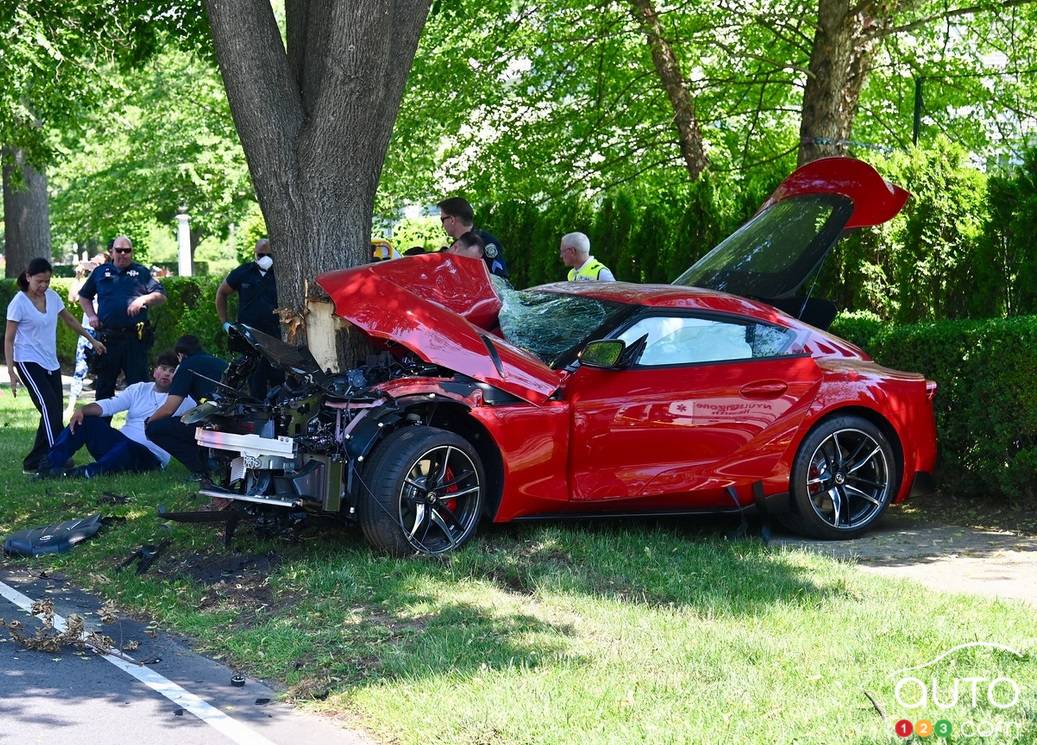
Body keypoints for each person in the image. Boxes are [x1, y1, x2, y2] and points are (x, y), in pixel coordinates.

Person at [4, 258, 107, 474]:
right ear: (28, 277)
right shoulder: (18, 303)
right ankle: (57, 457)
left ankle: (33, 462)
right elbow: (9, 339)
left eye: (47, 281)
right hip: (27, 361)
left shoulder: (52, 297)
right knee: (49, 407)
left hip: (50, 362)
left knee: (53, 410)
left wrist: (92, 340)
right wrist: (11, 371)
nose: (43, 286)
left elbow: (70, 320)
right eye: (39, 281)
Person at [36, 353, 194, 479]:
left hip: (150, 456)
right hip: (120, 443)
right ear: (155, 371)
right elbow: (110, 405)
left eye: (172, 371)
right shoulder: (139, 389)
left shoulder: (185, 400)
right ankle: (49, 465)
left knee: (127, 448)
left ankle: (84, 473)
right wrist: (82, 410)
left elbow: (199, 418)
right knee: (86, 421)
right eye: (164, 368)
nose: (166, 374)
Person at [77, 235, 166, 402]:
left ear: (132, 252)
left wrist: (143, 299)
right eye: (119, 250)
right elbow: (84, 296)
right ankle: (103, 419)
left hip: (135, 338)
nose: (123, 254)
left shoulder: (141, 272)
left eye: (127, 250)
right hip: (108, 338)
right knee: (104, 388)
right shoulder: (100, 272)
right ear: (112, 252)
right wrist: (91, 315)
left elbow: (161, 296)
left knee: (139, 386)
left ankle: (140, 418)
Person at [145, 335, 228, 476]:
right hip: (233, 422)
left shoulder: (187, 366)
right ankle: (215, 461)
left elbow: (169, 409)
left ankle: (201, 469)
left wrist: (149, 422)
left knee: (155, 428)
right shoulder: (219, 362)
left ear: (181, 355)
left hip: (213, 425)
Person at [215, 238, 283, 398]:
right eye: (261, 255)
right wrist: (225, 323)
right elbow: (222, 293)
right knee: (255, 384)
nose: (265, 259)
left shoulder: (281, 273)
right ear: (255, 254)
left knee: (280, 384)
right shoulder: (244, 272)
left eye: (269, 255)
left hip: (276, 339)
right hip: (250, 340)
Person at [65, 253, 109, 417]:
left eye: (97, 263)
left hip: (103, 332)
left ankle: (101, 407)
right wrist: (78, 277)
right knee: (80, 368)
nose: (93, 266)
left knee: (104, 371)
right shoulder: (87, 282)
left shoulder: (108, 282)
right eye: (92, 263)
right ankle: (71, 406)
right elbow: (72, 298)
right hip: (87, 330)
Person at [437, 197, 508, 278]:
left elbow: (500, 279)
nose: (442, 225)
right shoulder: (456, 246)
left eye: (442, 219)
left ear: (452, 220)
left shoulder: (486, 242)